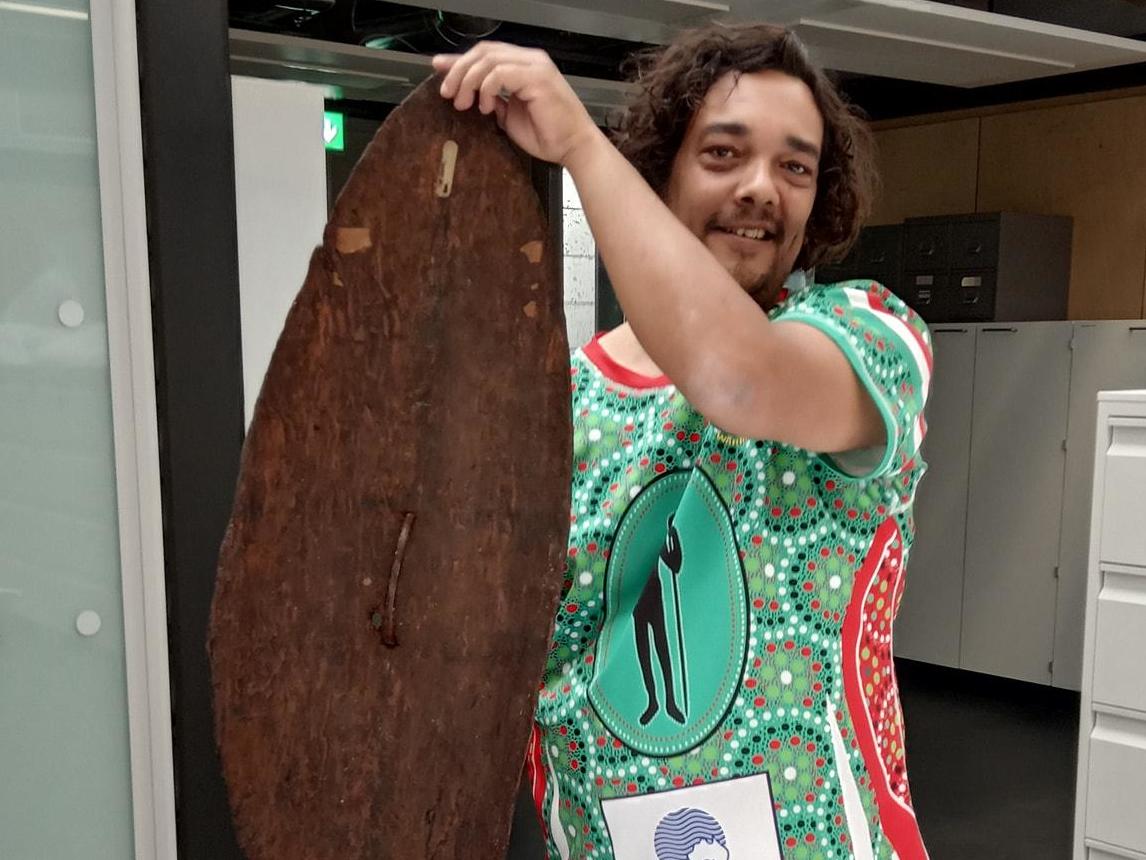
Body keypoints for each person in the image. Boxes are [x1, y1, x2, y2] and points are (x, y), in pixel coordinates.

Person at [434, 21, 931, 860]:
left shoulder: (872, 339)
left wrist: (580, 149)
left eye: (796, 167)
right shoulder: (559, 403)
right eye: (723, 154)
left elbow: (737, 379)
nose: (762, 189)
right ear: (661, 171)